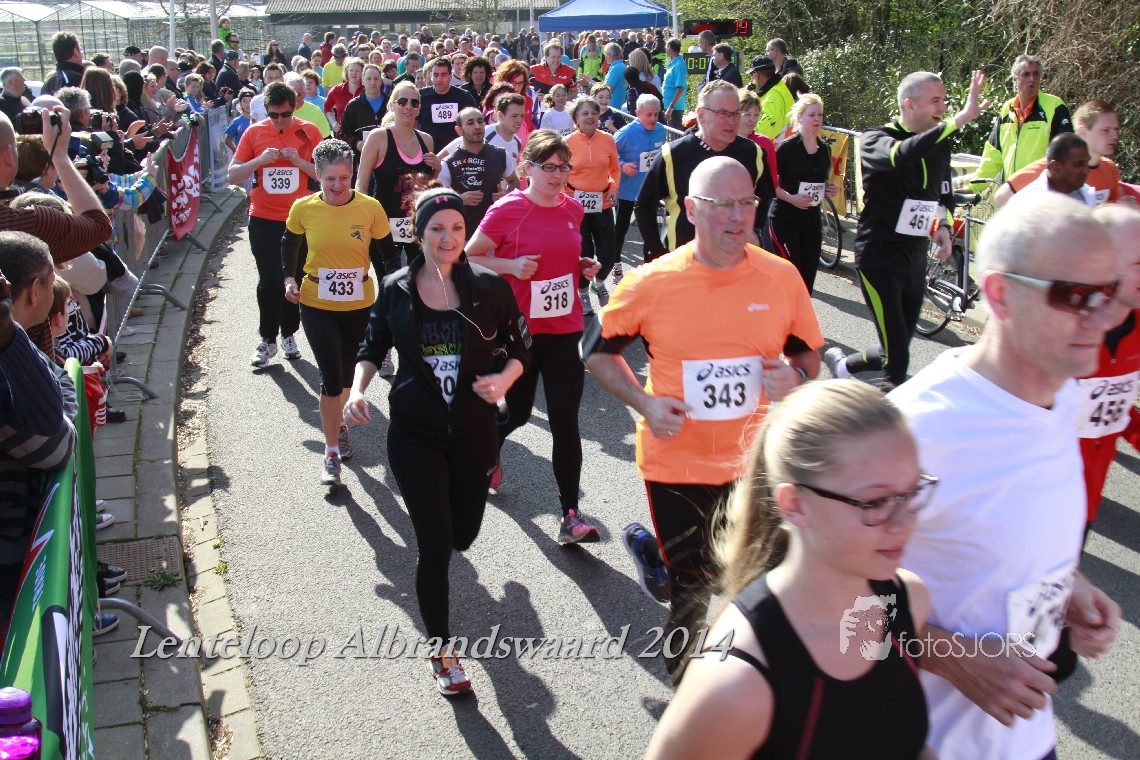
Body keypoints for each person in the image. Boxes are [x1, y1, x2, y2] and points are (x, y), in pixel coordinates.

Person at [888, 193, 1122, 759]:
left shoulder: (1063, 395)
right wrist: (947, 654)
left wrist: (1070, 586)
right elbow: (811, 603)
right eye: (1073, 295)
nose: (1100, 317)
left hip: (1028, 740)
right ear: (999, 294)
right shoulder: (915, 429)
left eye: (1109, 293)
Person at [585, 156, 824, 682]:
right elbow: (597, 354)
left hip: (754, 465)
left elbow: (809, 355)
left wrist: (796, 378)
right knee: (693, 592)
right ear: (692, 209)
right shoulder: (651, 283)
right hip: (678, 465)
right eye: (722, 205)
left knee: (754, 585)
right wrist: (645, 403)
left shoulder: (780, 278)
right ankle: (685, 697)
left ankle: (753, 692)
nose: (737, 216)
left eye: (746, 203)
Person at [645, 381, 935, 758]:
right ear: (795, 504)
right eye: (876, 501)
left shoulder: (909, 600)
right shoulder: (733, 684)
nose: (905, 523)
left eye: (910, 493)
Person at [344, 187, 530, 696]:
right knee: (434, 544)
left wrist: (505, 379)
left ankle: (461, 530)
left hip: (474, 431)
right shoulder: (396, 289)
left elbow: (521, 348)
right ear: (419, 233)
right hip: (415, 434)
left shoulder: (489, 287)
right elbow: (372, 347)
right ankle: (442, 651)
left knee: (462, 536)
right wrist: (357, 391)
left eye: (456, 228)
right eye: (437, 229)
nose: (448, 238)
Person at [465, 130, 603, 544]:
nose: (558, 175)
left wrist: (581, 267)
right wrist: (510, 266)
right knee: (519, 414)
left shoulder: (573, 208)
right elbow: (470, 257)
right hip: (521, 332)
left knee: (565, 421)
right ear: (527, 168)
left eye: (564, 167)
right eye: (549, 167)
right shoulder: (509, 209)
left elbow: (563, 258)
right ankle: (486, 450)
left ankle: (570, 515)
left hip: (565, 327)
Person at [824, 71, 988, 390]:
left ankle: (843, 366)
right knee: (898, 361)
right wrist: (959, 120)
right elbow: (900, 156)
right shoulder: (875, 139)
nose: (943, 108)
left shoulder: (939, 143)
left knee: (894, 348)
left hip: (914, 259)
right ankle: (883, 418)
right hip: (878, 257)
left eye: (945, 101)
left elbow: (942, 194)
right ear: (910, 105)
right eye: (936, 101)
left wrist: (942, 227)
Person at [281, 140, 392, 485]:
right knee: (331, 379)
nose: (338, 185)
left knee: (346, 378)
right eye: (330, 179)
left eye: (344, 178)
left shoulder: (370, 208)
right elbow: (290, 243)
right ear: (317, 175)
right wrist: (289, 278)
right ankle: (331, 454)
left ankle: (340, 424)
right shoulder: (304, 208)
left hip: (359, 304)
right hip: (317, 304)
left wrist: (391, 292)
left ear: (352, 174)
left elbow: (387, 255)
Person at [0, 234, 77, 623]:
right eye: (52, 279)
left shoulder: (17, 343)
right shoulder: (9, 349)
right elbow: (56, 442)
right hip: (11, 551)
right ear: (36, 290)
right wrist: (8, 335)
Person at [227, 81, 322, 370]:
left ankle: (289, 334)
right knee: (269, 280)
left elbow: (324, 174)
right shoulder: (254, 132)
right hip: (264, 217)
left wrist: (299, 161)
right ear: (266, 110)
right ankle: (268, 339)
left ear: (294, 108)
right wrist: (258, 160)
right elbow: (232, 175)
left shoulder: (309, 131)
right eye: (273, 115)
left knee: (295, 279)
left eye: (285, 114)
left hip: (300, 219)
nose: (280, 120)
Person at [356, 80, 442, 378]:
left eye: (414, 102)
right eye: (402, 101)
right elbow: (361, 184)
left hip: (416, 226)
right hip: (383, 226)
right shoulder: (379, 137)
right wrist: (362, 221)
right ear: (392, 104)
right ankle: (382, 350)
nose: (408, 107)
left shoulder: (426, 140)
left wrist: (436, 168)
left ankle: (416, 345)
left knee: (419, 284)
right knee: (389, 285)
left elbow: (429, 185)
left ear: (419, 108)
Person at [635, 81, 767, 262]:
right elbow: (643, 206)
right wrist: (658, 252)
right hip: (683, 263)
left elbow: (767, 198)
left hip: (735, 263)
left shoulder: (753, 153)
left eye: (736, 113)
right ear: (701, 115)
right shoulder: (672, 154)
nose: (732, 121)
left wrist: (757, 233)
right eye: (723, 113)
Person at [1076, 205, 1140, 534]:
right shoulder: (1063, 329)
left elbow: (1115, 400)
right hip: (1036, 497)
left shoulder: (1136, 327)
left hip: (1089, 497)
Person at [768, 93, 839, 294]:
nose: (817, 119)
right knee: (792, 276)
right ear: (799, 117)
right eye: (812, 115)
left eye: (820, 115)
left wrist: (828, 188)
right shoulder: (786, 149)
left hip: (811, 221)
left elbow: (818, 180)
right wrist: (792, 199)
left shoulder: (824, 150)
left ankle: (801, 314)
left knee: (808, 280)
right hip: (785, 219)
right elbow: (770, 185)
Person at [995, 100, 1124, 206]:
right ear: (1083, 132)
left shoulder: (1110, 169)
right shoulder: (1054, 166)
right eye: (1106, 130)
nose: (1115, 136)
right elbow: (1002, 196)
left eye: (1115, 129)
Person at [972, 54, 1072, 186]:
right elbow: (993, 154)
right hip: (1011, 192)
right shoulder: (1007, 109)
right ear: (1015, 79)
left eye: (1036, 74)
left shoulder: (1055, 106)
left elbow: (1067, 153)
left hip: (1042, 192)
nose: (1032, 79)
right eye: (1026, 74)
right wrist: (973, 186)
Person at [564, 97, 620, 313]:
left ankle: (600, 283)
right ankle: (584, 292)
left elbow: (615, 169)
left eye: (593, 113)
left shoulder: (608, 139)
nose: (590, 117)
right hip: (575, 207)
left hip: (602, 204)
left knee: (608, 253)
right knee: (584, 253)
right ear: (576, 118)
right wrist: (565, 199)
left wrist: (614, 189)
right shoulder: (567, 143)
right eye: (585, 113)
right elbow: (561, 173)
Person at [438, 107, 515, 239]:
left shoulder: (501, 155)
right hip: (462, 236)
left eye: (480, 121)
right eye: (470, 123)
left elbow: (514, 181)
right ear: (459, 130)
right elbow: (437, 199)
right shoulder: (448, 163)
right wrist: (458, 199)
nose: (477, 126)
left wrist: (506, 194)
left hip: (494, 234)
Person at [614, 93, 666, 275]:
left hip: (649, 192)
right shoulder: (625, 133)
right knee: (620, 230)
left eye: (656, 114)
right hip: (626, 191)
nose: (653, 119)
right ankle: (615, 263)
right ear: (637, 113)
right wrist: (622, 165)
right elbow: (609, 154)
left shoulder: (661, 130)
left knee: (650, 232)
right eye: (648, 114)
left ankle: (648, 269)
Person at [1004, 133, 1097, 207]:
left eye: (1087, 163)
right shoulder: (1025, 203)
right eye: (1079, 164)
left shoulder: (1089, 196)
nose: (1086, 171)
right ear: (1055, 166)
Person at [418, 57, 479, 154]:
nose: (439, 79)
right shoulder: (421, 96)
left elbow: (476, 123)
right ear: (431, 76)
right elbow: (413, 123)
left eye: (443, 75)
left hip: (457, 152)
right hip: (428, 152)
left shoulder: (464, 96)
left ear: (450, 76)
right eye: (436, 75)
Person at [338, 64, 387, 151]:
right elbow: (343, 133)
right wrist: (356, 143)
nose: (372, 82)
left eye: (376, 79)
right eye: (368, 79)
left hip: (387, 154)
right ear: (363, 81)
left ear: (381, 81)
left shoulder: (391, 104)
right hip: (361, 156)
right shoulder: (353, 106)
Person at [746, 55, 794, 143]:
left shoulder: (774, 94)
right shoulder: (776, 89)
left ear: (757, 75)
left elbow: (767, 131)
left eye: (752, 74)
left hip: (779, 146)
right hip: (783, 144)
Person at [323, 56, 364, 138]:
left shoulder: (367, 90)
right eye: (351, 70)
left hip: (362, 135)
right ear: (346, 72)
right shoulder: (337, 90)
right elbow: (327, 106)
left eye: (357, 71)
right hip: (343, 135)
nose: (354, 73)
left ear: (363, 73)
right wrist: (333, 122)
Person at [660, 39, 686, 130]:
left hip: (675, 108)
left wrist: (671, 108)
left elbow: (680, 89)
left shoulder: (679, 64)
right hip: (669, 105)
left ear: (669, 47)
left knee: (675, 135)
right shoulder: (673, 63)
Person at [602, 44, 628, 114]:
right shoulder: (620, 66)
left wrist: (590, 83)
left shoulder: (616, 68)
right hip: (616, 107)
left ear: (608, 54)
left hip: (613, 108)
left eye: (605, 54)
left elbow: (607, 89)